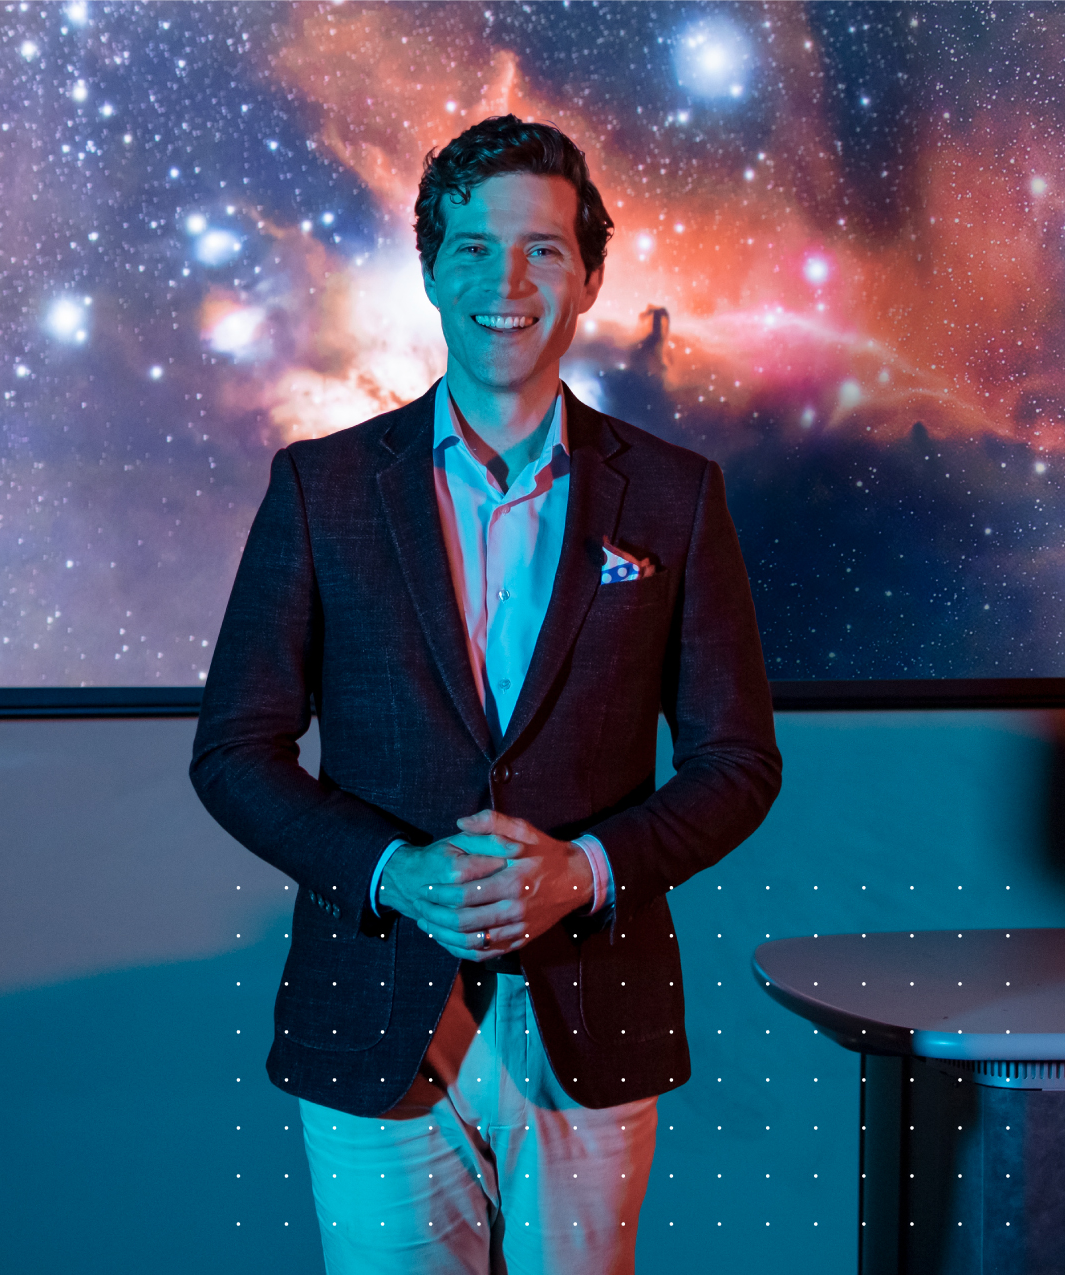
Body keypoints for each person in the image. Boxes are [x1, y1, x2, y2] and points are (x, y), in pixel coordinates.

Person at [188, 115, 781, 1273]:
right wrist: (394, 873)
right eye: (471, 249)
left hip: (593, 1016)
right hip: (375, 1019)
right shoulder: (320, 488)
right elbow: (235, 749)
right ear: (429, 271)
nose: (504, 281)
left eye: (542, 250)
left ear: (591, 276)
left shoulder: (674, 497)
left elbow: (738, 761)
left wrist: (587, 871)